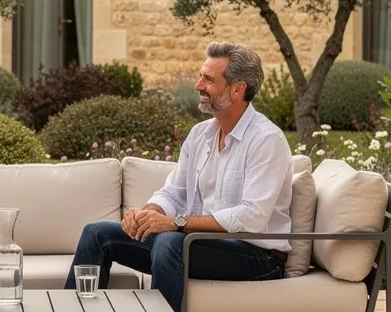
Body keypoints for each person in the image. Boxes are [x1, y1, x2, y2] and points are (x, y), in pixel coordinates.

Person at [65, 42, 293, 311]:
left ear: (237, 89)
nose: (198, 85)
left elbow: (251, 217)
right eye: (201, 76)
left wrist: (176, 222)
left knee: (171, 241)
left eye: (209, 79)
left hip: (258, 257)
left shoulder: (266, 140)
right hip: (201, 245)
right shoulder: (200, 135)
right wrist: (148, 215)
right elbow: (173, 193)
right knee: (96, 233)